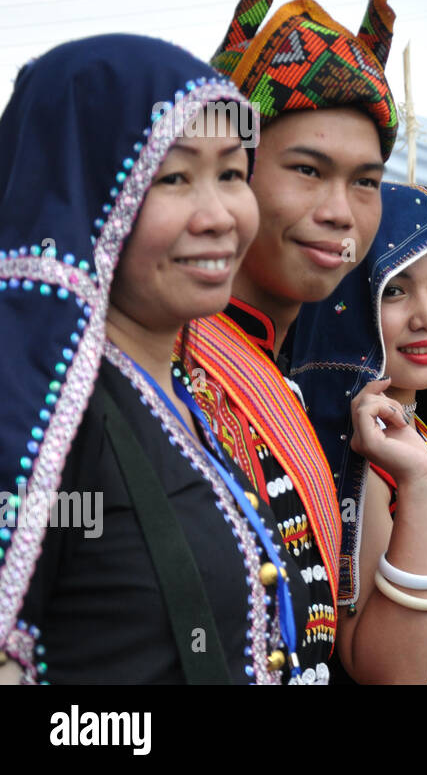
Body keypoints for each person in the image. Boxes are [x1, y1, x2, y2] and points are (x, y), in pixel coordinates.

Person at [0, 35, 309, 683]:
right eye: (173, 177)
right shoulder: (37, 413)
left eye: (231, 172)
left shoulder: (177, 391)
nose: (220, 215)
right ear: (81, 195)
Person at [182, 0, 399, 683]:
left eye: (366, 182)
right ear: (233, 173)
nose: (342, 211)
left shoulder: (289, 385)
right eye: (308, 170)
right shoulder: (154, 366)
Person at [291, 182, 427, 684]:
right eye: (394, 289)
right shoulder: (355, 460)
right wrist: (414, 486)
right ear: (345, 301)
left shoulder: (419, 433)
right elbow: (390, 674)